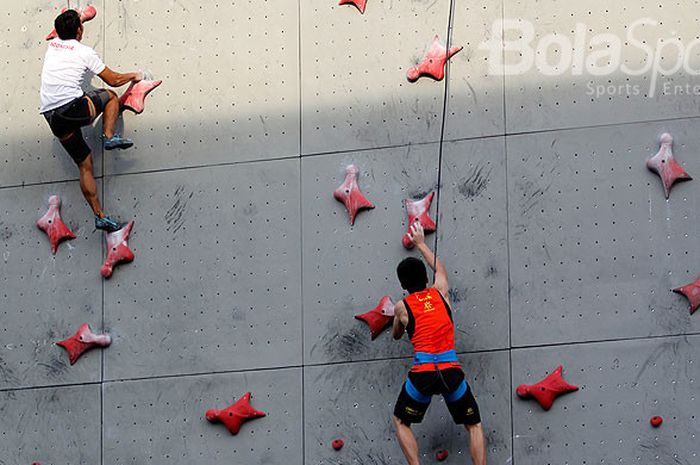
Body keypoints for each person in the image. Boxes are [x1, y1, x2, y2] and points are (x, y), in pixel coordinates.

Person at [391, 221, 487, 465]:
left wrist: (397, 321)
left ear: (403, 286)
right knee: (473, 424)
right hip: (450, 371)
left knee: (401, 422)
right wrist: (421, 244)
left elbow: (396, 334)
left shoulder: (401, 306)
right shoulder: (440, 291)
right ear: (426, 277)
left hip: (423, 374)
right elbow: (441, 270)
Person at [40, 9, 143, 232]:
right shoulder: (84, 52)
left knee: (84, 163)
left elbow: (66, 29)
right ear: (79, 30)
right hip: (71, 108)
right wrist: (135, 75)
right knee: (110, 97)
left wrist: (80, 18)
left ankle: (100, 216)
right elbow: (114, 80)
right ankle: (108, 137)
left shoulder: (53, 44)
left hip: (52, 117)